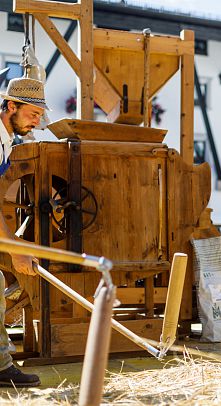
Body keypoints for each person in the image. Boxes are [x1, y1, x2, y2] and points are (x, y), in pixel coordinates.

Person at [0, 77, 50, 387]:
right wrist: (16, 248)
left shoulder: (5, 140)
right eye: (32, 114)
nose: (36, 122)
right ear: (10, 106)